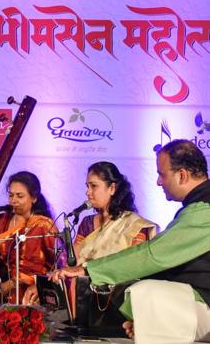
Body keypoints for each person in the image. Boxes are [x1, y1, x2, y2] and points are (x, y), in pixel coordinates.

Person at [51, 140, 210, 343]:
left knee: (145, 292)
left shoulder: (204, 209)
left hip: (204, 303)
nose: (158, 182)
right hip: (194, 299)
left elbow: (153, 255)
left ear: (182, 175)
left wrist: (89, 270)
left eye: (162, 174)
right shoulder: (198, 206)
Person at [22, 161, 157, 307]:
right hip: (82, 300)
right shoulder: (87, 223)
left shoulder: (134, 225)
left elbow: (134, 267)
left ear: (112, 188)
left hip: (116, 304)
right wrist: (43, 285)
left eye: (94, 186)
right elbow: (70, 263)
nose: (88, 192)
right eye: (87, 186)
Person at [0, 170, 59, 304]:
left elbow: (59, 261)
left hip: (33, 291)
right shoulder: (3, 219)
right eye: (11, 195)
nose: (13, 200)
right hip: (3, 289)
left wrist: (14, 283)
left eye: (19, 196)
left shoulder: (44, 225)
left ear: (34, 198)